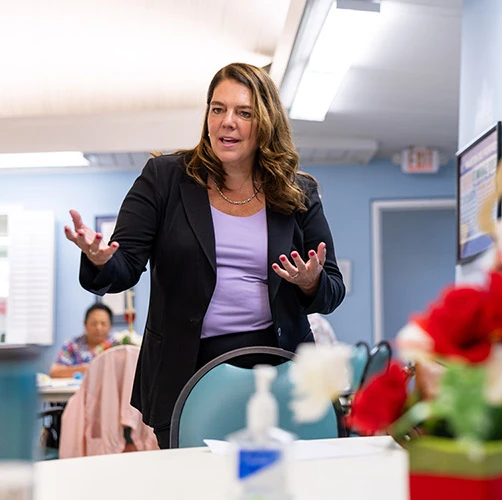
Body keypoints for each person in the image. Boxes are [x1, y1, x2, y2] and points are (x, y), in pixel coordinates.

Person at [64, 62, 346, 448]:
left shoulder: (297, 192)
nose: (227, 121)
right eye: (218, 109)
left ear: (265, 123)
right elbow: (124, 265)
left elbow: (332, 289)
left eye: (243, 112)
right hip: (186, 369)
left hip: (279, 367)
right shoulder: (164, 178)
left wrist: (311, 281)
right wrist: (99, 259)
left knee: (276, 483)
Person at [50, 303, 117, 378]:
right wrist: (84, 369)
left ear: (110, 326)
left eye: (103, 323)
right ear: (85, 324)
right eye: (94, 323)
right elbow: (54, 372)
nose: (98, 328)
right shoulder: (72, 345)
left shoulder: (117, 345)